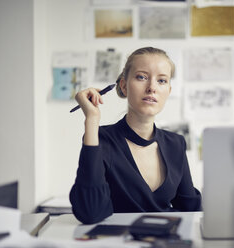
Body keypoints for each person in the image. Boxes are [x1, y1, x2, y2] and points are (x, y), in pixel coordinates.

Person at [70, 47, 202, 224]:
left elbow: (190, 208)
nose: (152, 88)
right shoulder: (100, 138)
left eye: (161, 80)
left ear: (168, 91)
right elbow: (90, 212)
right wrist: (91, 120)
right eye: (142, 77)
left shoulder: (176, 143)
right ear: (123, 86)